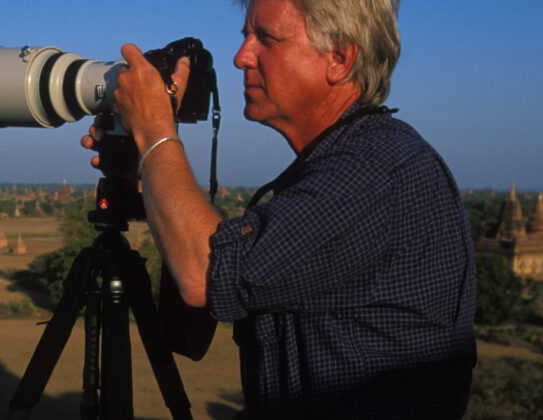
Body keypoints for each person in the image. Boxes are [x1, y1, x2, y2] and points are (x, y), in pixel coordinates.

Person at [82, 0, 476, 418]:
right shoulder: (348, 162)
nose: (241, 57)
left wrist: (155, 131)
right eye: (245, 37)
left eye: (266, 39)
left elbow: (204, 273)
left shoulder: (373, 173)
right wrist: (146, 171)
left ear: (340, 58)